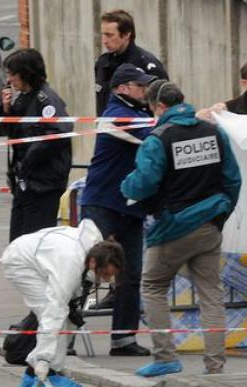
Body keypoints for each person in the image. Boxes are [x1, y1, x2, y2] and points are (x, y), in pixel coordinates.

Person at [121, 80, 242, 376]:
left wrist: (125, 185)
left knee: (152, 286)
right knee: (211, 295)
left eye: (152, 109)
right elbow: (233, 179)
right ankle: (215, 366)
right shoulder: (214, 132)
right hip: (210, 223)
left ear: (160, 107)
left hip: (173, 227)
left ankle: (165, 358)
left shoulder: (158, 139)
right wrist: (221, 214)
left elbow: (143, 183)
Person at [0, 219, 124, 387]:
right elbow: (54, 311)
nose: (106, 280)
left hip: (33, 253)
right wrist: (44, 359)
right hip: (22, 262)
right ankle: (46, 375)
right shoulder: (70, 263)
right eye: (104, 274)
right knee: (52, 312)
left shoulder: (93, 252)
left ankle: (32, 374)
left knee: (64, 315)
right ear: (94, 263)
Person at [81, 63, 155, 357]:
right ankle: (67, 336)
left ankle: (123, 339)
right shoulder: (116, 114)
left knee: (131, 273)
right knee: (85, 272)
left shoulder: (140, 113)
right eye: (141, 85)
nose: (146, 90)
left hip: (130, 208)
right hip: (103, 203)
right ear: (124, 89)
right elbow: (151, 136)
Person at [0, 48, 72, 242]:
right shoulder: (24, 97)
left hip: (43, 184)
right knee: (17, 243)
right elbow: (15, 134)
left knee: (34, 242)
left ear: (26, 73)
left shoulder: (46, 100)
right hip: (24, 182)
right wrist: (7, 111)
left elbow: (59, 133)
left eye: (13, 74)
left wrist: (30, 158)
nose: (10, 79)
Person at [95, 9, 168, 116]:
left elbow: (165, 104)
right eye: (103, 35)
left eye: (109, 35)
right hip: (106, 129)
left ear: (126, 35)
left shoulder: (148, 65)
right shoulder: (102, 63)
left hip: (140, 131)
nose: (104, 40)